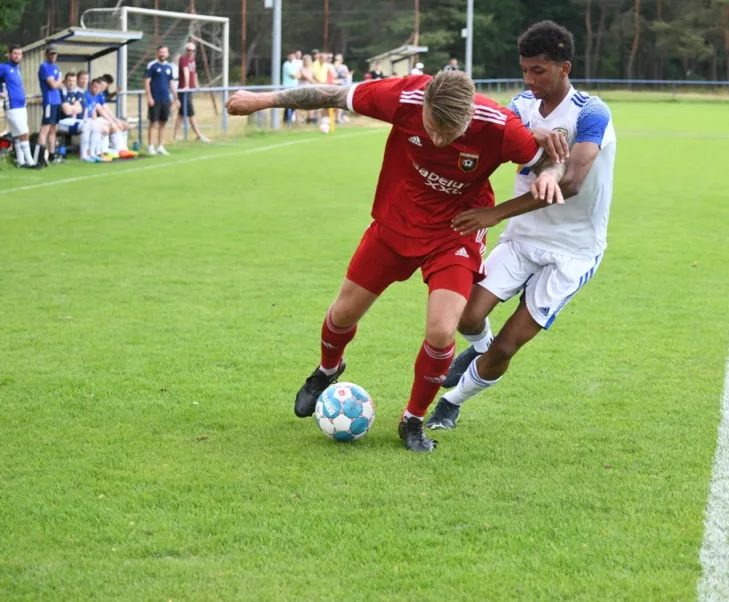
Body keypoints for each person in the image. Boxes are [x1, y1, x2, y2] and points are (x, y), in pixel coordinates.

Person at [225, 70, 569, 451]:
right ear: (421, 106)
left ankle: (413, 420)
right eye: (431, 128)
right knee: (342, 315)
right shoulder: (402, 96)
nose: (437, 139)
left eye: (449, 133)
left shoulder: (500, 127)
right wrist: (262, 101)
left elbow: (547, 160)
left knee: (441, 332)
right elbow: (332, 94)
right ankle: (328, 369)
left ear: (469, 117)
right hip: (394, 222)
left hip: (454, 231)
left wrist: (550, 173)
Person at [426, 21, 615, 431]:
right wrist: (532, 132)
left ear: (564, 67)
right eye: (525, 70)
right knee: (468, 316)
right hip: (524, 237)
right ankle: (479, 347)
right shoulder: (522, 105)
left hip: (572, 250)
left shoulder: (592, 111)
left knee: (510, 344)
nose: (530, 80)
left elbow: (573, 182)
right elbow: (504, 140)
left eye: (539, 71)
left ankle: (451, 404)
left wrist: (496, 213)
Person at [0, 44, 38, 169]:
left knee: (17, 134)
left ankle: (20, 161)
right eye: (15, 53)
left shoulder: (17, 69)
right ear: (9, 54)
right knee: (25, 132)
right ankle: (30, 162)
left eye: (19, 54)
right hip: (12, 106)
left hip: (21, 105)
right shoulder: (4, 68)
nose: (17, 56)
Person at [174, 42, 210, 142]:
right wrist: (186, 86)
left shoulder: (192, 60)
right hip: (184, 91)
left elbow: (194, 74)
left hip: (189, 90)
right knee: (191, 113)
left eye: (193, 50)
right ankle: (199, 135)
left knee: (181, 114)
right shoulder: (183, 59)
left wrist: (197, 86)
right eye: (189, 50)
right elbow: (186, 72)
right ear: (186, 51)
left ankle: (175, 135)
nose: (191, 52)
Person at [145, 45, 177, 156]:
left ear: (167, 53)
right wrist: (149, 97)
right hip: (155, 98)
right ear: (157, 53)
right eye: (160, 52)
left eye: (164, 52)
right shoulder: (152, 66)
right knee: (153, 122)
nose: (162, 54)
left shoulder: (169, 67)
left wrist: (176, 97)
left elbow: (171, 83)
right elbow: (147, 82)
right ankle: (150, 146)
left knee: (163, 122)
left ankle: (160, 146)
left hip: (165, 98)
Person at [35, 47, 63, 165]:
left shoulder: (55, 67)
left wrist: (59, 82)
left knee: (53, 129)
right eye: (51, 54)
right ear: (46, 55)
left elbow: (59, 85)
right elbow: (52, 84)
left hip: (57, 101)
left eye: (55, 54)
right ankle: (39, 156)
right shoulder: (44, 67)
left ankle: (52, 155)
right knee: (45, 129)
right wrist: (60, 81)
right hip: (49, 101)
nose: (53, 56)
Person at [281, 51, 299, 125]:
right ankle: (286, 120)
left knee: (294, 104)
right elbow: (294, 75)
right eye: (290, 55)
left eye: (293, 55)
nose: (292, 57)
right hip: (288, 87)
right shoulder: (286, 64)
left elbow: (298, 73)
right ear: (288, 56)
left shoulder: (294, 64)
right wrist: (301, 74)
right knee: (288, 104)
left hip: (295, 86)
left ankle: (290, 120)